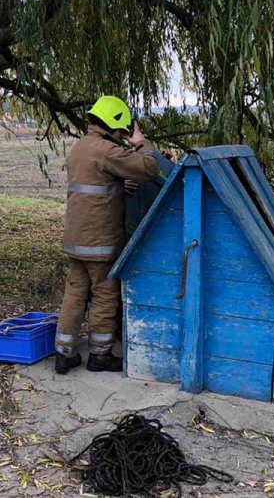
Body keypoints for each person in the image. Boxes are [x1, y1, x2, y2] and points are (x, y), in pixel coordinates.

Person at [55, 96, 163, 374]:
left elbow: (96, 184)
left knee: (75, 293)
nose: (122, 137)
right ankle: (100, 355)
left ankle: (63, 353)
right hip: (99, 243)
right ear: (114, 126)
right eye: (122, 132)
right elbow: (150, 169)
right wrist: (140, 142)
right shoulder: (107, 150)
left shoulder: (80, 147)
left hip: (75, 239)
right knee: (104, 294)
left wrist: (118, 185)